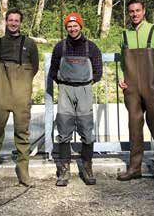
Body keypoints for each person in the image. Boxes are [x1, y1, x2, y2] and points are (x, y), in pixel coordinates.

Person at [117, 0, 154, 189]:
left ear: (144, 11)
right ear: (128, 13)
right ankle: (134, 168)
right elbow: (122, 62)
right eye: (131, 11)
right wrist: (121, 78)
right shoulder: (124, 35)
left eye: (137, 10)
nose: (134, 14)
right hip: (132, 90)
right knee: (134, 128)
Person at [0, 8, 39, 190]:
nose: (13, 23)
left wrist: (22, 83)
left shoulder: (30, 44)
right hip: (1, 93)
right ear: (6, 22)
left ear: (20, 23)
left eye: (16, 20)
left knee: (22, 134)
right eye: (10, 20)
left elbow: (35, 68)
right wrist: (1, 83)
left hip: (22, 94)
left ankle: (24, 174)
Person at [48, 12, 103, 186]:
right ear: (66, 28)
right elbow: (53, 70)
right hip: (65, 90)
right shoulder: (60, 47)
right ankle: (64, 171)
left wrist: (86, 84)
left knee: (86, 130)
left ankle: (87, 168)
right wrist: (64, 84)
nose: (73, 29)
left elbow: (98, 71)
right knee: (64, 130)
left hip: (85, 90)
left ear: (80, 26)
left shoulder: (91, 47)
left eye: (75, 25)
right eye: (69, 26)